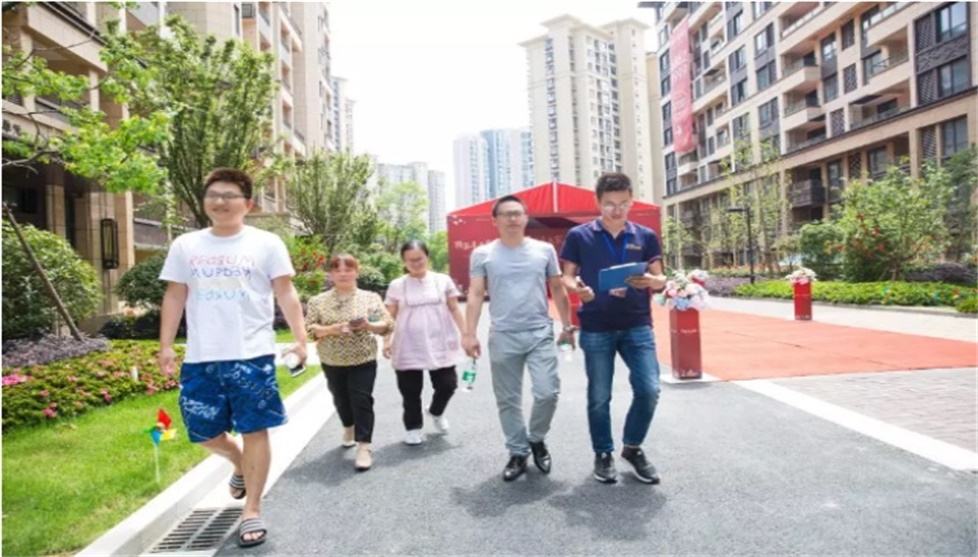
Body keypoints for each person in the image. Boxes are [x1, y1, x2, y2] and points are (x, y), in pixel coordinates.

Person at [158, 168, 307, 548]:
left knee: (255, 429)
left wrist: (301, 339)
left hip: (251, 354)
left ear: (248, 204)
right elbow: (175, 295)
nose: (220, 201)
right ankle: (239, 463)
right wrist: (165, 345)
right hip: (201, 355)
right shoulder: (186, 245)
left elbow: (285, 292)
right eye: (213, 194)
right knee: (203, 432)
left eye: (229, 195)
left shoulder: (266, 243)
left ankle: (252, 509)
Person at [559, 172, 667, 485]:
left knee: (649, 389)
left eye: (623, 203)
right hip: (596, 325)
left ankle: (632, 447)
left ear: (631, 201)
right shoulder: (579, 236)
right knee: (599, 395)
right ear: (598, 202)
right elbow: (567, 276)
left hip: (637, 323)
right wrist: (578, 289)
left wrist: (654, 281)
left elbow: (661, 277)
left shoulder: (645, 236)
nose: (617, 210)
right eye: (609, 204)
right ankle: (603, 453)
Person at [462, 195, 575, 482]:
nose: (512, 218)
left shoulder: (544, 250)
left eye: (517, 213)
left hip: (539, 332)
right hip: (503, 335)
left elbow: (558, 288)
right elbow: (475, 293)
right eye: (506, 214)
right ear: (495, 221)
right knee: (508, 399)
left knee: (548, 392)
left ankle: (536, 439)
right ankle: (517, 451)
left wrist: (567, 326)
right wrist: (469, 333)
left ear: (525, 218)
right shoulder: (483, 254)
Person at [305, 253, 394, 472]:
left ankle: (364, 446)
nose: (343, 274)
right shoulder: (318, 301)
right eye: (337, 270)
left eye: (348, 269)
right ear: (330, 273)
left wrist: (369, 325)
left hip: (363, 358)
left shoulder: (370, 298)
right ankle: (348, 426)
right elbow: (310, 329)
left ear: (356, 272)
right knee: (341, 399)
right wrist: (331, 329)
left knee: (362, 399)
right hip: (332, 359)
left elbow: (387, 324)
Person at [382, 240, 464, 445]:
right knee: (410, 391)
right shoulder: (397, 285)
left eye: (419, 259)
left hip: (440, 341)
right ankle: (413, 427)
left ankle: (436, 411)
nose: (416, 263)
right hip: (408, 343)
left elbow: (454, 308)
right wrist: (386, 340)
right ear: (403, 261)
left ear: (427, 257)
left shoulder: (442, 280)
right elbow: (389, 315)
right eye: (411, 260)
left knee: (448, 384)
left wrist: (467, 334)